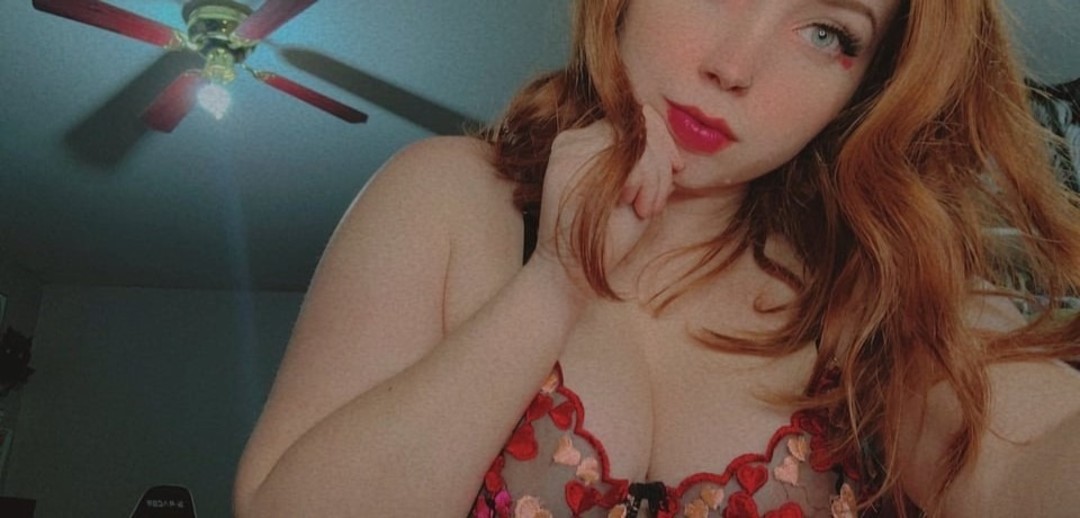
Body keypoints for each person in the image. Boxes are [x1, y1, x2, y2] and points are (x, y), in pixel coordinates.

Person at [232, 0, 1080, 516]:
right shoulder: (449, 198)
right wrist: (554, 282)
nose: (734, 66)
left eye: (826, 32)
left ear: (865, 86)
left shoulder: (875, 288)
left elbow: (1031, 456)